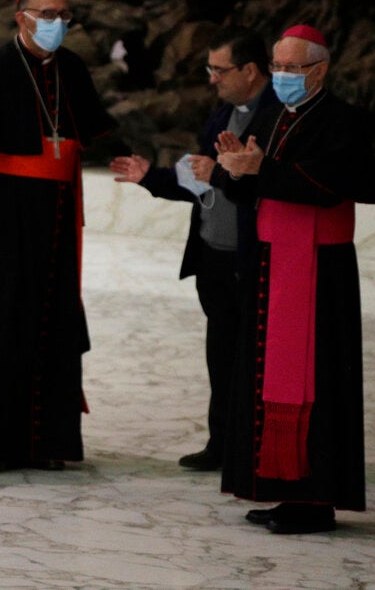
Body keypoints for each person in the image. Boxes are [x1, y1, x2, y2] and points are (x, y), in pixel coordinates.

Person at [0, 0, 116, 473]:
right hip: (2, 218)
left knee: (50, 325)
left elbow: (90, 134)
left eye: (64, 15)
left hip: (56, 219)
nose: (57, 24)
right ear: (22, 18)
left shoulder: (72, 69)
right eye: (47, 15)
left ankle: (45, 442)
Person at [216, 24, 375, 534]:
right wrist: (232, 171)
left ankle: (313, 500)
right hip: (272, 261)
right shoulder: (270, 115)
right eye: (278, 67)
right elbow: (248, 187)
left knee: (318, 378)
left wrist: (259, 170)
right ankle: (277, 490)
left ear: (320, 69)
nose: (282, 76)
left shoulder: (344, 121)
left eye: (292, 68)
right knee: (264, 376)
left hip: (319, 271)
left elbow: (336, 187)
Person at [108, 26, 277, 471]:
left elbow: (268, 183)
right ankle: (221, 443)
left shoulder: (279, 117)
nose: (212, 79)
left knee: (255, 361)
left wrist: (225, 171)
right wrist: (151, 177)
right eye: (210, 69)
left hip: (255, 257)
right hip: (213, 255)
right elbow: (197, 176)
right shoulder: (222, 117)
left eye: (219, 70)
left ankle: (255, 448)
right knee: (220, 356)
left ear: (250, 70)